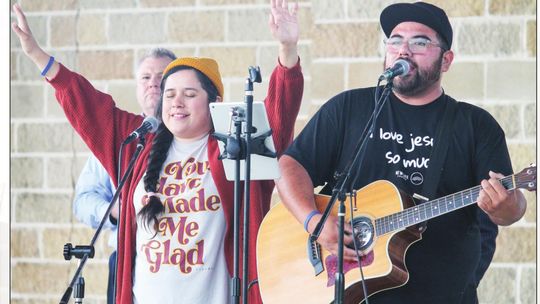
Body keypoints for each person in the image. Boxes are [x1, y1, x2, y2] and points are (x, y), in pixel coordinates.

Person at [12, 0, 303, 302]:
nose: (177, 102)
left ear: (214, 100)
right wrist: (37, 55)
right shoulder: (139, 144)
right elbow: (84, 101)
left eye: (190, 94)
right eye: (170, 94)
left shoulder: (235, 146)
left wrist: (287, 49)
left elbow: (279, 113)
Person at [275, 2, 526, 303]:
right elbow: (290, 166)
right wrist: (314, 222)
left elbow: (510, 210)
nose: (403, 50)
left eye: (419, 42)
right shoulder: (349, 108)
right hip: (349, 292)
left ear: (446, 60)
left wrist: (507, 205)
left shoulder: (475, 125)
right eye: (395, 40)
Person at [73, 48, 175, 304]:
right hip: (127, 258)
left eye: (161, 78)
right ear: (136, 86)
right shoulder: (120, 140)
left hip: (179, 260)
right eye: (145, 77)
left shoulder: (192, 138)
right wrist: (117, 210)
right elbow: (83, 201)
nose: (153, 83)